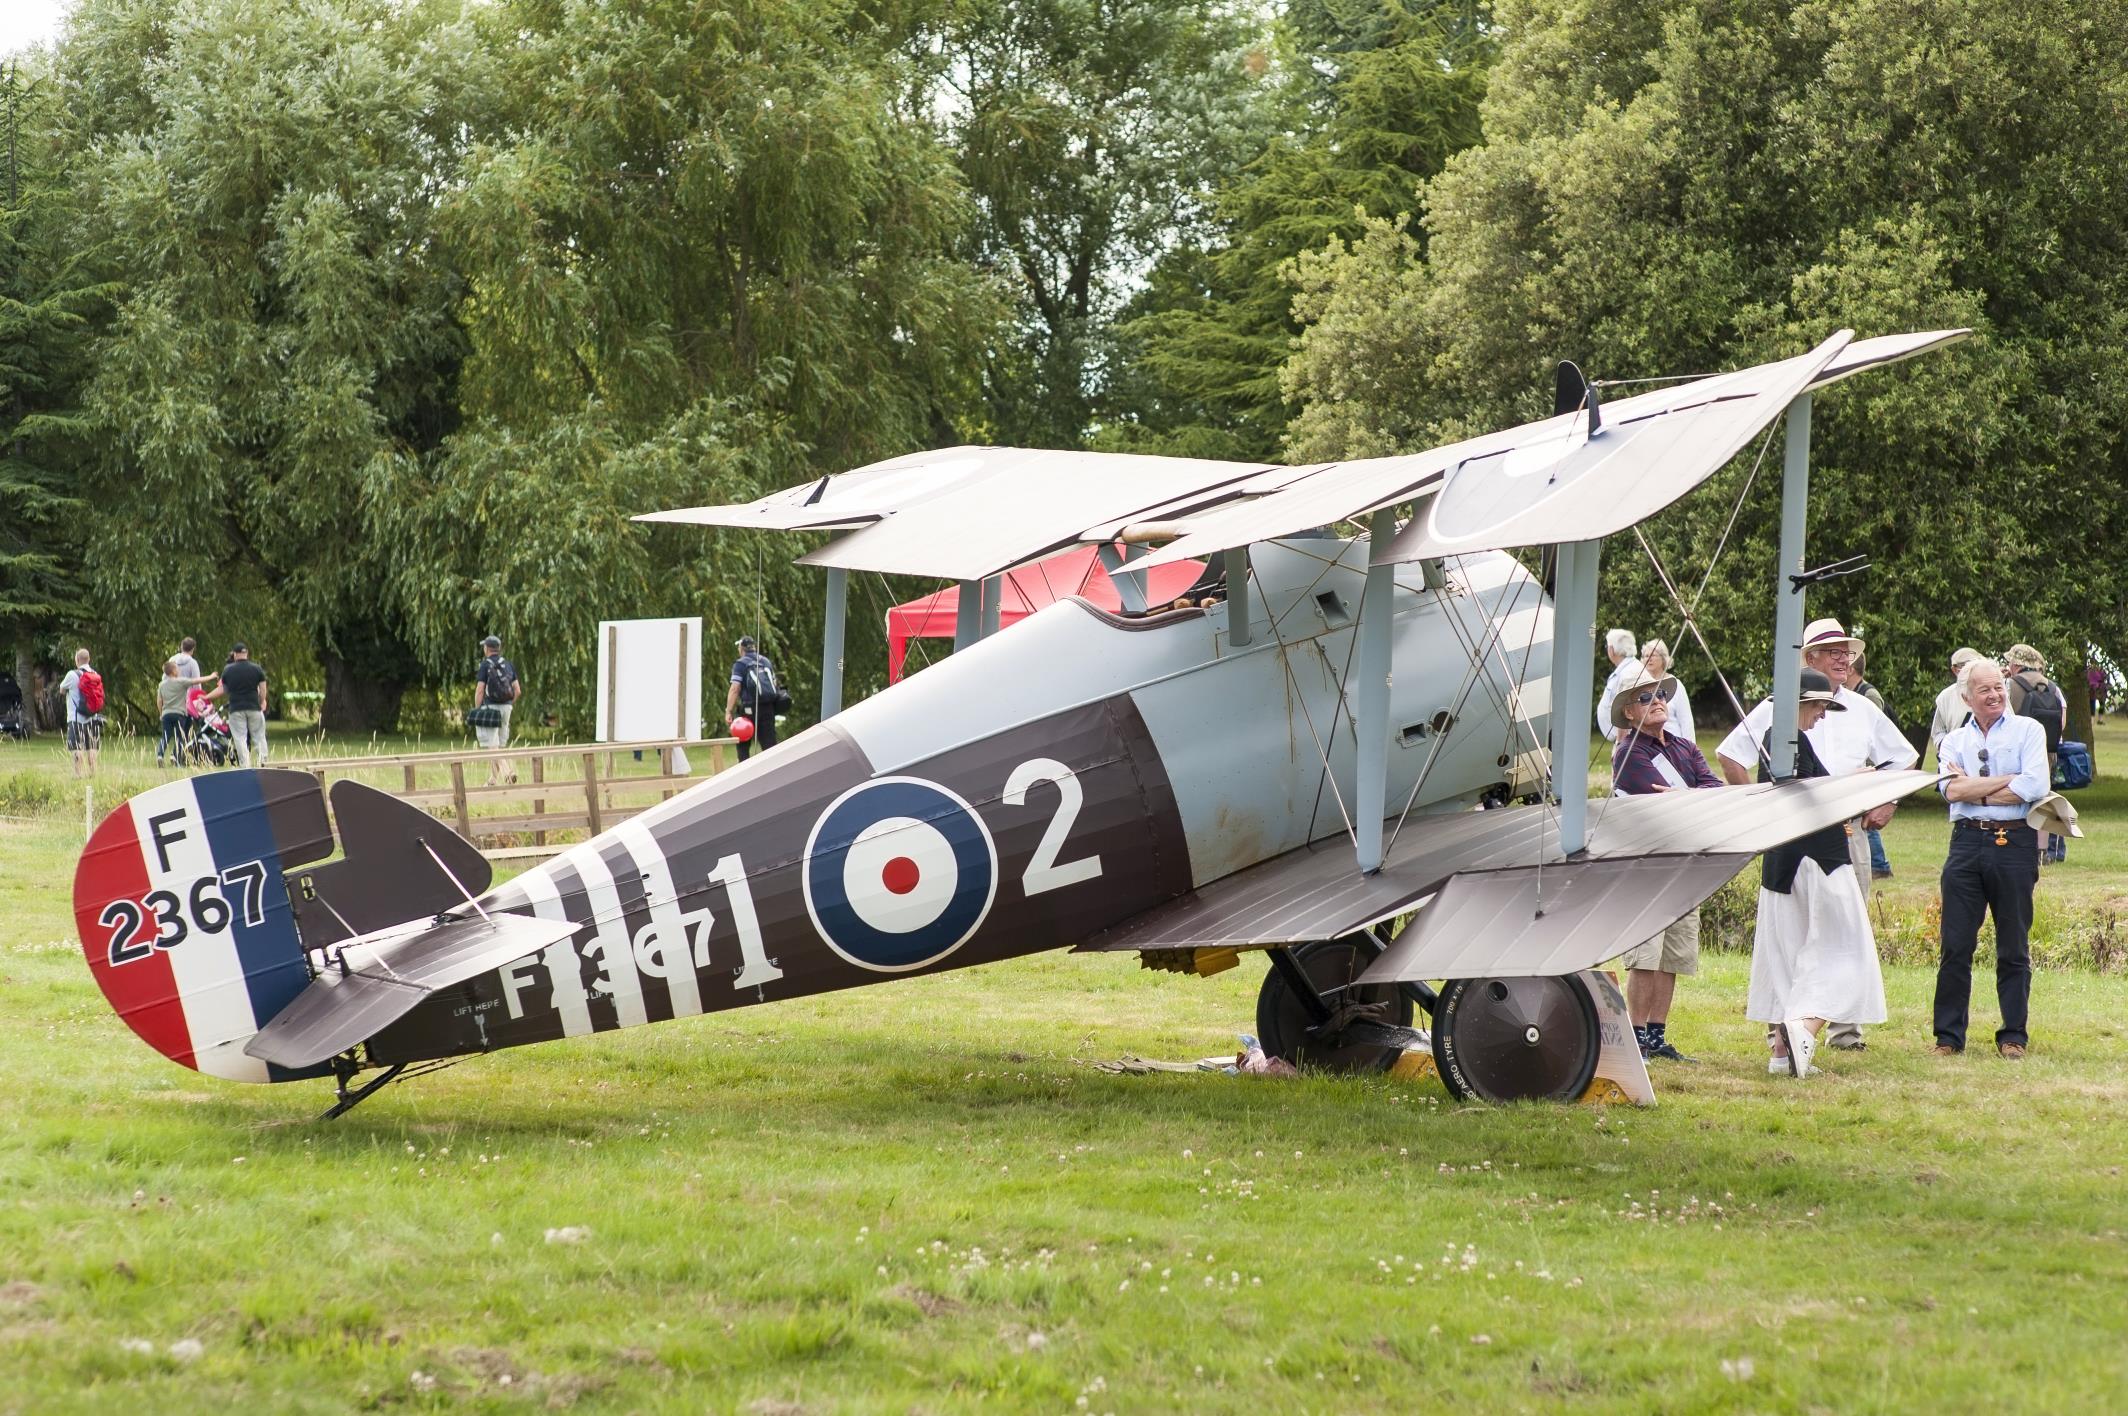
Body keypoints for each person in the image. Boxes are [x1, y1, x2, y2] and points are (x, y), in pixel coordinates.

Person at [1717, 617, 1916, 1051]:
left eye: (1848, 651)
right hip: (1799, 841)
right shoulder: (1779, 711)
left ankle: (1839, 1032)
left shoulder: (1863, 707)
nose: (1845, 658)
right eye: (1833, 651)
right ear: (1809, 658)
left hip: (1846, 833)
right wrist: (1763, 812)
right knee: (1826, 938)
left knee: (1840, 929)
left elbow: (1903, 759)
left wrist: (1886, 801)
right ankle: (1792, 1030)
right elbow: (1732, 755)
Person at [1747, 669, 1886, 1079]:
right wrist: (1854, 784)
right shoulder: (1787, 738)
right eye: (1820, 706)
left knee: (1785, 955)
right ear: (1802, 703)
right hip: (1816, 864)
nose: (1823, 715)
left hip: (1784, 864)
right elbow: (1801, 795)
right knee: (1846, 951)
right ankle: (1802, 1031)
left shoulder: (1780, 739)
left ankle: (1781, 1053)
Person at [1932, 660, 2049, 1059]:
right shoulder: (1952, 742)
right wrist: (2006, 780)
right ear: (1966, 697)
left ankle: (2013, 1035)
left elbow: (2035, 784)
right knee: (1955, 945)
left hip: (2014, 842)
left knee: (2013, 945)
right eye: (1985, 690)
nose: (1996, 695)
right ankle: (1948, 1038)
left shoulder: (2029, 731)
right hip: (1965, 843)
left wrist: (1973, 789)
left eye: (1999, 687)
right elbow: (1949, 791)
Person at [1607, 661, 1722, 1061]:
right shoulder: (1627, 754)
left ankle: (1656, 1037)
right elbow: (1662, 805)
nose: (1656, 701)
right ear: (1629, 711)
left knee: (1673, 955)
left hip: (1684, 865)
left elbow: (1716, 791)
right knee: (1645, 956)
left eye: (1660, 695)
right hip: (1646, 868)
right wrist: (1690, 798)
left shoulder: (1685, 746)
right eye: (1645, 697)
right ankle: (1636, 1039)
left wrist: (1684, 797)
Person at [2002, 644, 2066, 863]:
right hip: (2046, 751)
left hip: (2015, 750)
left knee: (2013, 794)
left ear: (2017, 664)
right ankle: (2042, 852)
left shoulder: (2008, 685)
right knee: (2042, 797)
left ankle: (2012, 844)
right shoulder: (2053, 687)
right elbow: (2062, 721)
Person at [1851, 651, 1894, 880]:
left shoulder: (1868, 696)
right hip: (1862, 772)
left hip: (1869, 770)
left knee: (1867, 819)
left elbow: (1876, 736)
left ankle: (1880, 864)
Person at [209, 643, 269, 768]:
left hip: (236, 709)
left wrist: (206, 697)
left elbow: (224, 689)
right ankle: (263, 763)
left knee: (240, 738)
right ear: (246, 653)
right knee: (259, 737)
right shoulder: (257, 669)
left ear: (235, 654)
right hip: (254, 707)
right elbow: (263, 689)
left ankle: (245, 765)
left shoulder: (228, 670)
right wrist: (261, 701)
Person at [473, 634, 522, 784]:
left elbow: (480, 690)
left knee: (493, 746)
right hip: (507, 707)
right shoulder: (508, 665)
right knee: (499, 745)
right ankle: (493, 779)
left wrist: (478, 710)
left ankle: (509, 772)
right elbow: (518, 691)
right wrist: (508, 704)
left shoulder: (485, 665)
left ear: (487, 648)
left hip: (490, 708)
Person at [726, 635, 780, 762]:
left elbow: (735, 688)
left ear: (741, 649)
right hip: (767, 707)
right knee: (769, 744)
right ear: (754, 647)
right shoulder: (765, 661)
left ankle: (744, 773)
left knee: (743, 743)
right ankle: (774, 773)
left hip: (748, 709)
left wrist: (728, 710)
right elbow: (774, 683)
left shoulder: (740, 664)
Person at [1928, 647, 1983, 766]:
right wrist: (1947, 747)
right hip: (1955, 762)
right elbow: (1938, 731)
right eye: (1967, 667)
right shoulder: (1945, 697)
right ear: (1955, 669)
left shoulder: (1993, 692)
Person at [155, 658, 215, 767]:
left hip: (166, 714)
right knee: (180, 736)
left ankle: (160, 755)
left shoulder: (161, 685)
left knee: (165, 736)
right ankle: (175, 756)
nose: (179, 671)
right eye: (177, 669)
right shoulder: (181, 681)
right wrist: (211, 676)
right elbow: (197, 680)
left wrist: (161, 713)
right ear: (173, 671)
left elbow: (159, 701)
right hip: (179, 714)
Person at [58, 646, 103, 777]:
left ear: (77, 660)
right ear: (88, 659)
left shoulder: (72, 675)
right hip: (93, 717)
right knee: (92, 747)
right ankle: (93, 773)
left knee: (76, 747)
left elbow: (61, 689)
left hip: (76, 718)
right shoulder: (95, 675)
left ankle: (78, 774)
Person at [1639, 639, 1694, 744]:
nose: (1649, 659)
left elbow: (1686, 721)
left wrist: (1690, 749)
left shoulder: (1675, 685)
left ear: (1663, 658)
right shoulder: (1639, 685)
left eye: (1653, 655)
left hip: (1674, 745)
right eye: (1646, 656)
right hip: (1647, 747)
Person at [1594, 628, 1640, 743]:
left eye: (1607, 646)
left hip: (1629, 741)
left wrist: (1620, 743)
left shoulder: (1628, 672)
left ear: (1612, 649)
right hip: (1626, 740)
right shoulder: (1627, 668)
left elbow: (1626, 711)